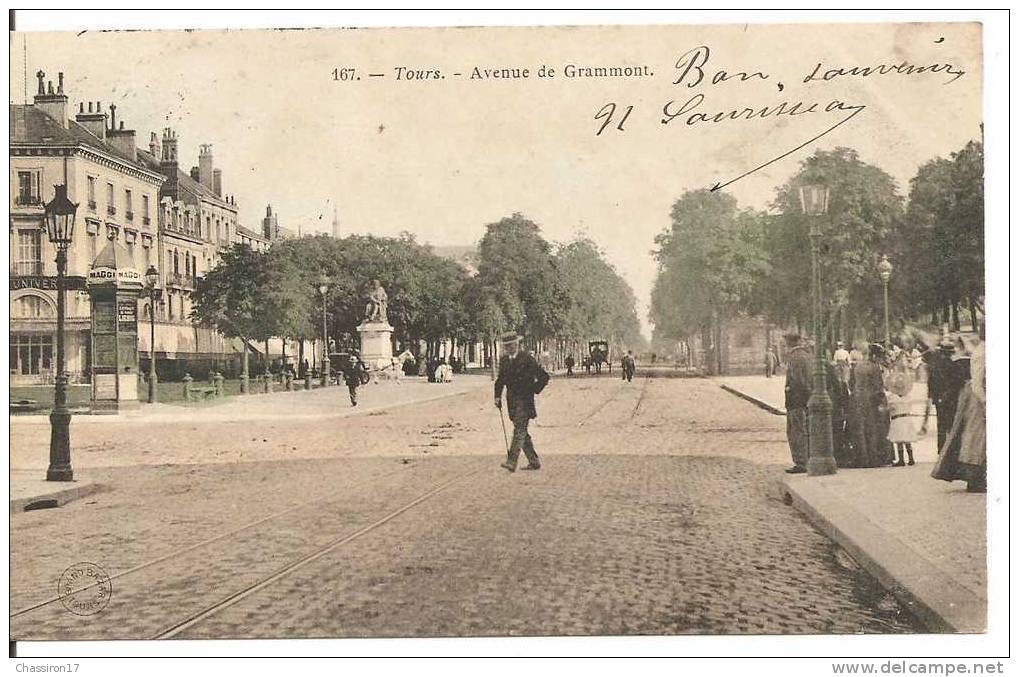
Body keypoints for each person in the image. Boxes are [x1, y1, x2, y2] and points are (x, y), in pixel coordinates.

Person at [931, 338, 985, 492]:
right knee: (973, 437)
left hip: (950, 400)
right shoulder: (976, 355)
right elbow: (972, 382)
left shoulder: (940, 365)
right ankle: (976, 477)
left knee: (951, 431)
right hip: (964, 400)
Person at [494, 331, 550, 473]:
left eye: (511, 345)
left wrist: (534, 389)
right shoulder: (504, 360)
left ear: (517, 344)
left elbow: (544, 377)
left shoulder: (527, 359)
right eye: (506, 346)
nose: (509, 348)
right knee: (522, 432)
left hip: (525, 401)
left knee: (519, 430)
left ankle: (511, 461)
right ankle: (534, 461)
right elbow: (500, 380)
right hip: (511, 402)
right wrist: (497, 397)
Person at [848, 343, 893, 468]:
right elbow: (878, 387)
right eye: (879, 357)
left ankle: (861, 458)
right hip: (870, 402)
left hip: (856, 401)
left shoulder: (857, 366)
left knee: (860, 431)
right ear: (874, 356)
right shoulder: (874, 368)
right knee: (873, 430)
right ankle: (874, 458)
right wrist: (883, 401)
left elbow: (851, 384)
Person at [783, 333, 812, 474]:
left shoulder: (794, 358)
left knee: (795, 431)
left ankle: (801, 462)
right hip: (804, 399)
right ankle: (805, 459)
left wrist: (790, 390)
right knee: (802, 430)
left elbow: (798, 380)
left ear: (789, 343)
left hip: (796, 400)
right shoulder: (806, 355)